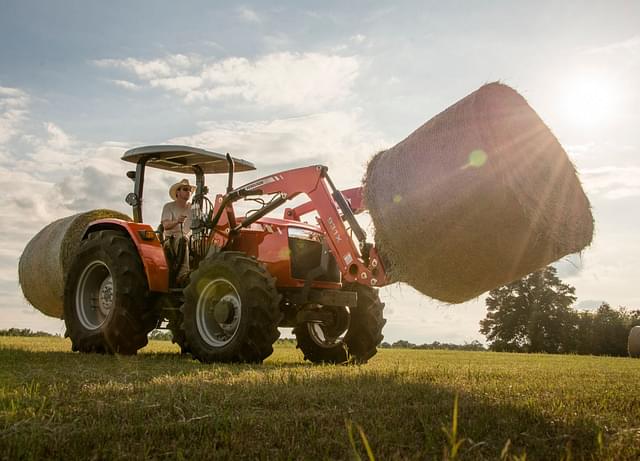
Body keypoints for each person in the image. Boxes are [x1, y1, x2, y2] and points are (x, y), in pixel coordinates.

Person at [161, 178, 195, 285]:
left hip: (190, 238)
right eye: (185, 189)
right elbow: (165, 226)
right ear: (177, 192)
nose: (188, 192)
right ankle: (182, 276)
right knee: (182, 239)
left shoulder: (193, 208)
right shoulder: (169, 206)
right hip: (172, 239)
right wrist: (177, 221)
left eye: (189, 190)